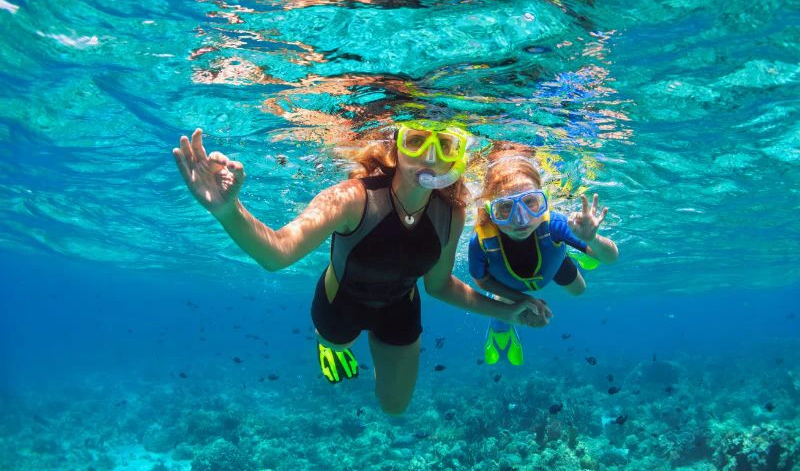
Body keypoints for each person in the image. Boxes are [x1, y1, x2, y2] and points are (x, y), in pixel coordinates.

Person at [173, 121, 551, 415]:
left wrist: (508, 311)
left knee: (395, 407)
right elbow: (278, 253)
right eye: (416, 141)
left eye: (445, 145)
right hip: (340, 304)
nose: (430, 156)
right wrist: (228, 210)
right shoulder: (352, 197)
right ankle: (328, 345)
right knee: (336, 344)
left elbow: (439, 286)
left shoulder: (452, 213)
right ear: (396, 148)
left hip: (400, 309)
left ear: (456, 156)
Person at [468, 148, 619, 366]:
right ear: (491, 210)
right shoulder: (481, 242)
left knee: (579, 290)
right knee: (504, 303)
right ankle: (500, 328)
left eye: (530, 202)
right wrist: (521, 299)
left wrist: (592, 239)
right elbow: (481, 280)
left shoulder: (554, 224)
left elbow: (611, 258)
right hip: (507, 284)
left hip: (553, 262)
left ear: (544, 200)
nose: (521, 219)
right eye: (506, 207)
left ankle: (578, 248)